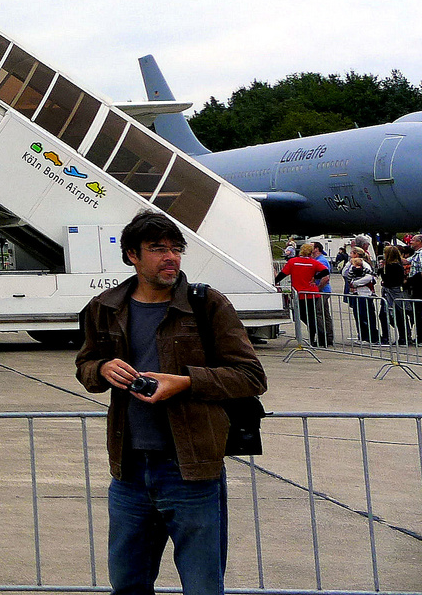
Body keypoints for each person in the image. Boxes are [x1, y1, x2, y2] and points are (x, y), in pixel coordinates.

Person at [77, 211, 267, 595]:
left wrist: (184, 382)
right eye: (158, 249)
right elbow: (84, 365)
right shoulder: (105, 307)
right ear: (132, 254)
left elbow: (251, 376)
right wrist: (101, 369)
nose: (171, 258)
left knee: (202, 586)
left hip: (191, 470)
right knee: (128, 584)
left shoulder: (206, 303)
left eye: (177, 249)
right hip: (128, 471)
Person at [276, 242, 332, 346]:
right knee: (311, 315)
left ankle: (319, 334)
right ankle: (318, 336)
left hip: (300, 293)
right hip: (312, 293)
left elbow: (282, 274)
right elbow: (325, 271)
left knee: (303, 315)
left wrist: (274, 282)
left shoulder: (293, 262)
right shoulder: (313, 263)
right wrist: (316, 277)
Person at [340, 245, 381, 343]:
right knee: (358, 315)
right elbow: (344, 273)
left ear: (356, 254)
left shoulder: (364, 264)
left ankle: (371, 336)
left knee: (366, 315)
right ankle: (362, 335)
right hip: (356, 293)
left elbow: (370, 277)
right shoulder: (352, 264)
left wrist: (355, 283)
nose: (350, 255)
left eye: (352, 253)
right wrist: (348, 264)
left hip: (364, 293)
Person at [380, 244, 412, 346]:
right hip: (395, 291)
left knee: (397, 315)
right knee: (397, 315)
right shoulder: (397, 265)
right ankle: (404, 336)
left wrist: (382, 272)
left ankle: (403, 337)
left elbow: (389, 281)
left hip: (393, 292)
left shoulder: (391, 266)